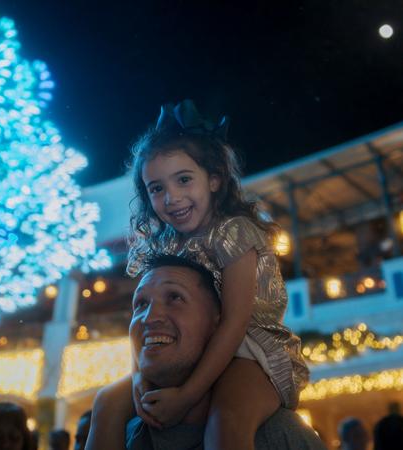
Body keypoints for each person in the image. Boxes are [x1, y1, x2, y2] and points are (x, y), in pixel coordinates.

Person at [91, 99, 309, 450]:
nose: (172, 197)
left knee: (225, 425)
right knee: (106, 403)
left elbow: (236, 323)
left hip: (250, 353)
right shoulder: (167, 244)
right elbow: (145, 317)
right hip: (195, 346)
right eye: (157, 188)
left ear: (214, 179)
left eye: (183, 180)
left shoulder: (235, 232)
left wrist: (188, 395)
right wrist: (138, 376)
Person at [86, 255, 325, 449]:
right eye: (141, 304)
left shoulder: (279, 437)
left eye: (174, 297)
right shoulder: (118, 434)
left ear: (219, 323)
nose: (150, 317)